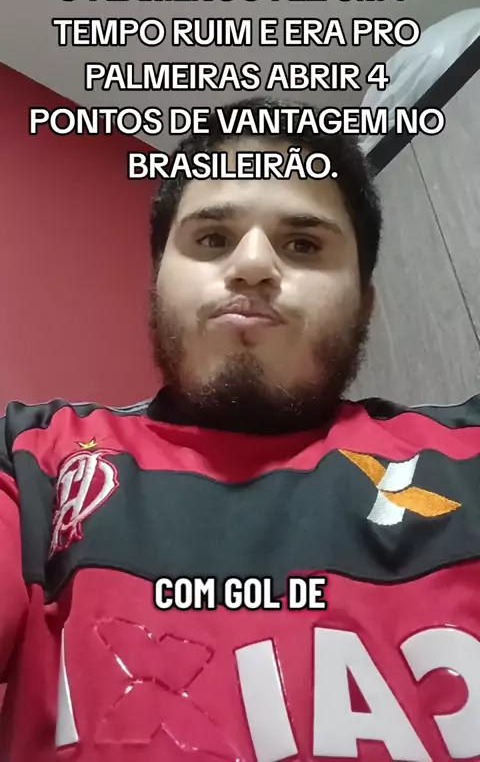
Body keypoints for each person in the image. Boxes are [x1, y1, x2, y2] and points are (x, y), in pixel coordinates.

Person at [0, 97, 479, 762]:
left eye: (303, 244)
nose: (252, 265)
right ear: (159, 283)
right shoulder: (36, 464)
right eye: (212, 239)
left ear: (364, 300)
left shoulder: (468, 457)